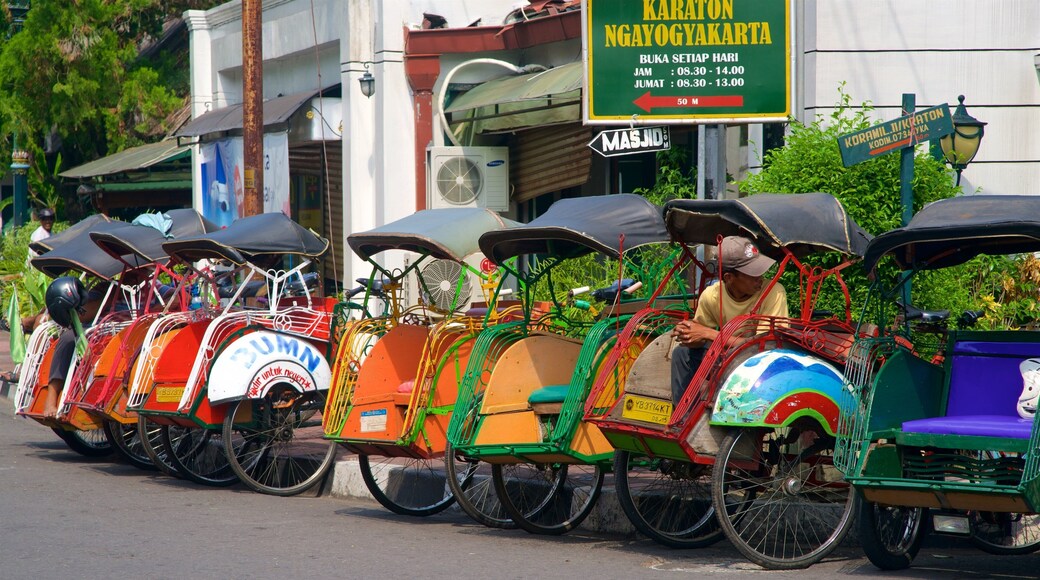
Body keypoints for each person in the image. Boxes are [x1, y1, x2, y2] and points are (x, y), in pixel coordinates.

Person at [670, 236, 789, 404]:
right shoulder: (712, 295)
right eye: (753, 273)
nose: (760, 277)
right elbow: (699, 337)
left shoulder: (773, 292)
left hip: (760, 362)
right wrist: (687, 333)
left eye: (760, 270)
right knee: (681, 353)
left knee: (724, 354)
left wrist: (709, 334)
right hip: (727, 354)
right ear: (729, 278)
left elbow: (764, 348)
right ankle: (682, 417)